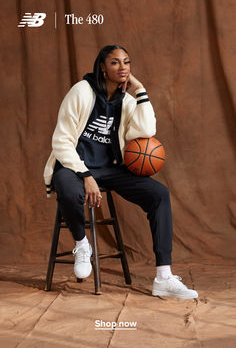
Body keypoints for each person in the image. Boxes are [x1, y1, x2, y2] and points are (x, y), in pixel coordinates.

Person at [44, 45, 198, 299]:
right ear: (102, 67)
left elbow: (146, 131)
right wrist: (86, 176)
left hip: (109, 168)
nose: (123, 67)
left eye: (126, 62)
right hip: (72, 165)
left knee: (158, 194)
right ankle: (82, 245)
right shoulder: (81, 92)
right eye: (115, 63)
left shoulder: (126, 101)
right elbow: (61, 141)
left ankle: (163, 276)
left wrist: (140, 91)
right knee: (69, 191)